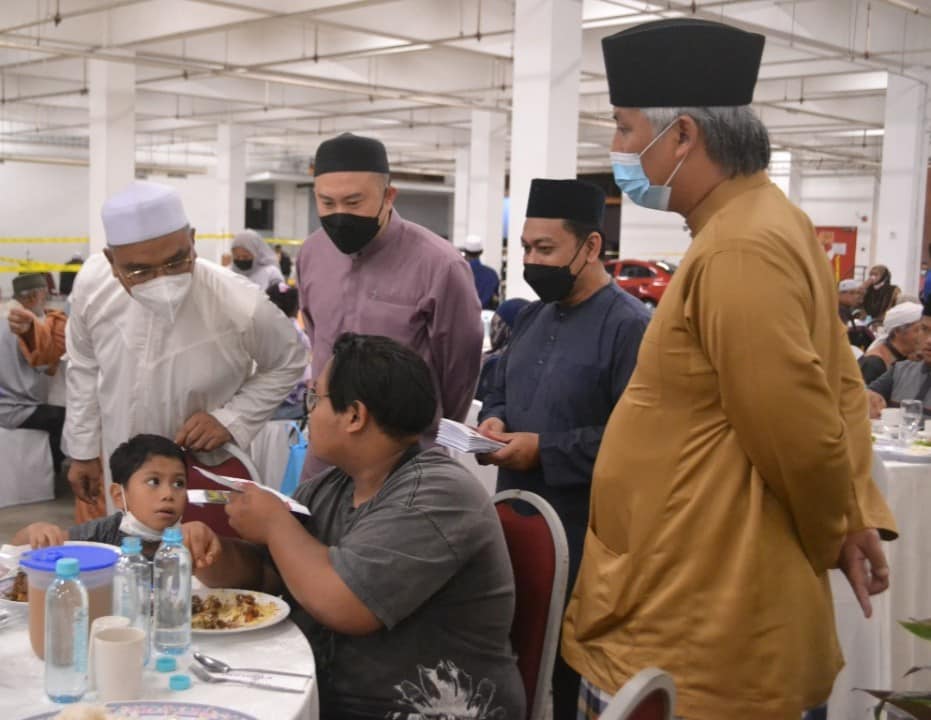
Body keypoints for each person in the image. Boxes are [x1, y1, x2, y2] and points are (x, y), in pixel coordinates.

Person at [562, 19, 897, 720]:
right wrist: (851, 509)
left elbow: (797, 431)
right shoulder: (766, 223)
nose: (616, 149)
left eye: (624, 130)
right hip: (696, 584)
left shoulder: (738, 249)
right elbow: (840, 382)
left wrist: (836, 523)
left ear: (682, 136)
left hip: (697, 612)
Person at [196, 333, 525, 719]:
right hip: (334, 697)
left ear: (354, 415)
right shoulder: (331, 486)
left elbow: (346, 604)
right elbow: (274, 573)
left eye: (315, 398)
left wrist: (274, 523)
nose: (309, 411)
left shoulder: (438, 494)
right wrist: (215, 556)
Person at [477, 178, 649, 717]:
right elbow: (497, 385)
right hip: (515, 521)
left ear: (591, 246)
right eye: (525, 248)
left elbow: (637, 441)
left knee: (571, 672)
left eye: (544, 249)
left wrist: (543, 451)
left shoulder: (631, 328)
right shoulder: (531, 315)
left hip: (586, 536)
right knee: (514, 656)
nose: (531, 260)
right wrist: (494, 419)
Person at [64, 181, 306, 524]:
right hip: (120, 458)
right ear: (111, 261)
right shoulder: (93, 285)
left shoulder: (238, 301)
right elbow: (84, 367)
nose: (162, 281)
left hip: (204, 468)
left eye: (176, 262)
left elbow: (289, 359)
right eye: (140, 271)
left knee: (205, 562)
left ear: (192, 240)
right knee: (130, 550)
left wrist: (231, 419)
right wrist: (83, 451)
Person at [295, 132, 483, 478]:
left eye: (353, 203)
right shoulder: (311, 254)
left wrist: (422, 430)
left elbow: (459, 371)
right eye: (327, 203)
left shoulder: (439, 265)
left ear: (388, 196)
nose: (339, 215)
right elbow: (316, 334)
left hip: (404, 459)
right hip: (326, 454)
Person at [13, 434, 220, 566]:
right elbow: (17, 551)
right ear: (119, 496)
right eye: (154, 481)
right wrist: (36, 532)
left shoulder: (191, 538)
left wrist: (204, 544)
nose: (168, 494)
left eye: (178, 484)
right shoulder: (103, 533)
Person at [0, 272, 67, 476]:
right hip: (14, 409)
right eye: (44, 296)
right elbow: (45, 366)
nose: (45, 302)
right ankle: (51, 474)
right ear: (33, 297)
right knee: (65, 418)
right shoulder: (25, 327)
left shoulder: (5, 318)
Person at [867, 299, 931, 418]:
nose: (929, 340)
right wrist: (869, 398)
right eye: (924, 329)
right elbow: (865, 394)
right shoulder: (900, 370)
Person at [266, 282, 310, 421]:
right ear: (296, 308)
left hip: (270, 400)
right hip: (296, 400)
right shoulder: (298, 332)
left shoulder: (267, 330)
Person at [475, 297, 529, 402]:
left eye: (497, 324)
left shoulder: (495, 364)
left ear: (506, 329)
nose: (493, 329)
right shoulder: (537, 360)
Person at [858, 301, 922, 384]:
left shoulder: (908, 358)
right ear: (897, 331)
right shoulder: (873, 364)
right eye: (920, 330)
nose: (926, 337)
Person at [462, 235, 500, 310]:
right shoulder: (492, 274)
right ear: (481, 252)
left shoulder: (459, 272)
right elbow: (495, 300)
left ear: (465, 251)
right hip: (484, 317)